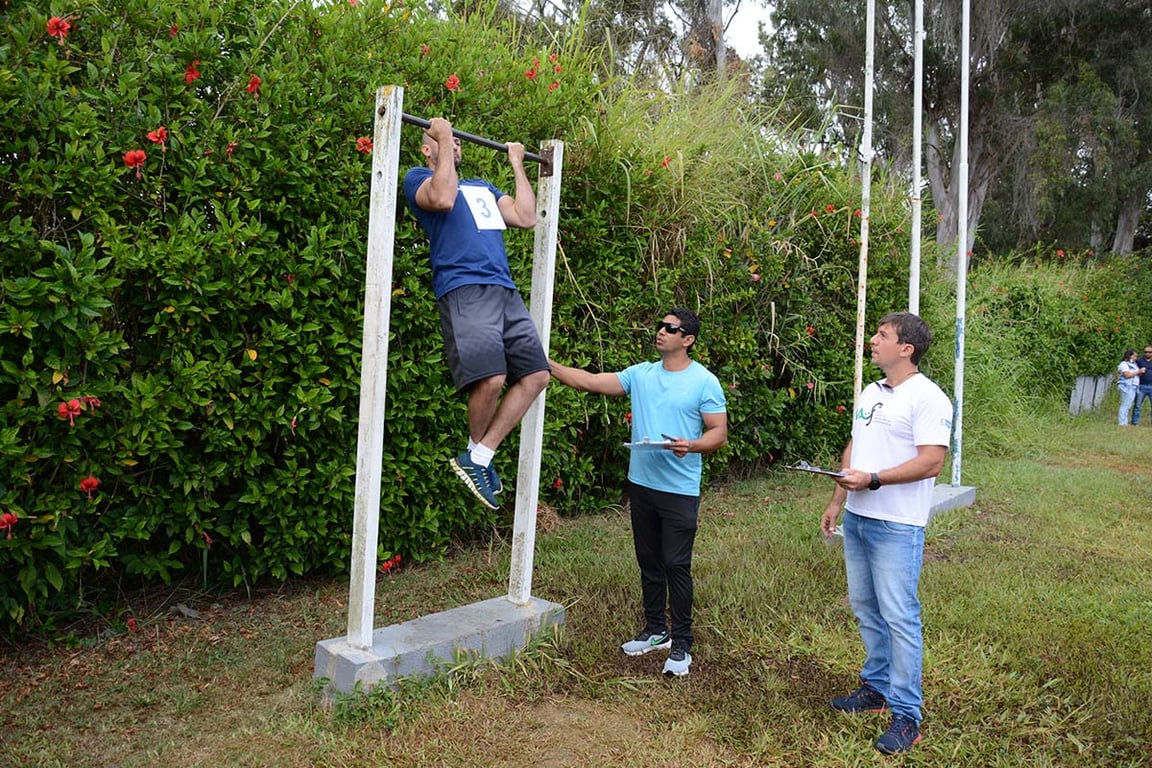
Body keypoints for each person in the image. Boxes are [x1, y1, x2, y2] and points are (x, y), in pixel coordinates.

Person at [549, 309, 728, 677]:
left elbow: (718, 434)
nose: (660, 331)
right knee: (649, 560)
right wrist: (547, 365)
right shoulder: (641, 374)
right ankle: (655, 630)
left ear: (688, 339)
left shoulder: (704, 382)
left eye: (670, 328)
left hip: (679, 490)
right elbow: (591, 381)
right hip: (642, 485)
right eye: (660, 326)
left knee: (676, 564)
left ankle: (682, 644)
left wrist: (691, 445)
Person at [819, 312, 953, 756]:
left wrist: (874, 480)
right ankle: (876, 689)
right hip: (858, 518)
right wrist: (838, 500)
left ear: (906, 349)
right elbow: (856, 446)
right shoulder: (871, 391)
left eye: (882, 335)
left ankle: (907, 715)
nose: (873, 341)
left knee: (900, 617)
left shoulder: (929, 398)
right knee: (865, 608)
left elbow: (932, 462)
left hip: (898, 524)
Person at [402, 117, 549, 510]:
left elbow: (525, 217)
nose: (455, 145)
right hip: (464, 287)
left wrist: (517, 164)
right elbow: (443, 198)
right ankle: (476, 455)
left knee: (537, 375)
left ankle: (479, 456)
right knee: (492, 378)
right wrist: (442, 136)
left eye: (457, 142)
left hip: (504, 289)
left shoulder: (482, 187)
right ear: (427, 149)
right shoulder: (418, 178)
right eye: (446, 141)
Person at [1116, 349, 1143, 426]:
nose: (1135, 358)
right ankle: (1122, 422)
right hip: (1126, 386)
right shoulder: (1124, 364)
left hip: (1133, 386)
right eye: (1134, 356)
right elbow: (1127, 375)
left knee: (1128, 405)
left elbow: (1135, 374)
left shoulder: (1134, 364)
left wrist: (1139, 373)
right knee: (1125, 404)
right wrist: (1138, 371)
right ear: (1129, 356)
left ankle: (1125, 422)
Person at [1129, 346, 1152, 425]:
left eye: (1150, 352)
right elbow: (1131, 365)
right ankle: (1135, 422)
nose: (1148, 353)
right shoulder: (1139, 361)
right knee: (1137, 405)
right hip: (1141, 385)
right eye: (1146, 352)